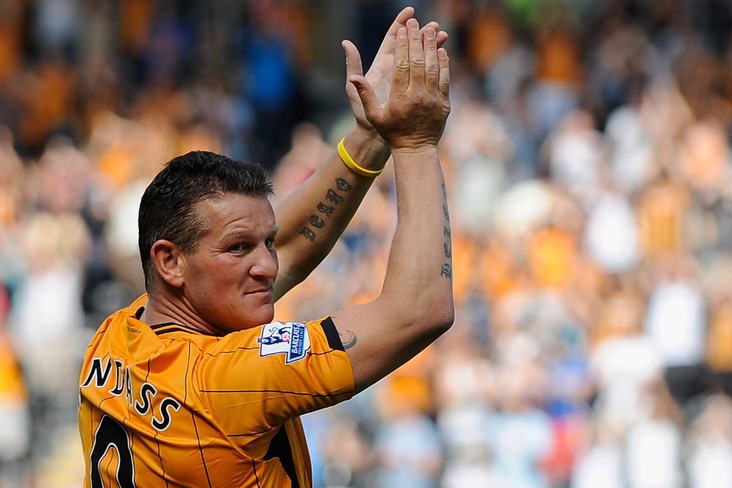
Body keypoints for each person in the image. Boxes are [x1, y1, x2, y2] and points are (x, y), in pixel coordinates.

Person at [78, 7, 454, 487]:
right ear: (169, 261)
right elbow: (420, 309)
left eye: (266, 243)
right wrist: (416, 142)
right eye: (238, 248)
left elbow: (291, 244)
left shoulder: (113, 338)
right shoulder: (232, 379)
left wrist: (369, 136)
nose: (266, 266)